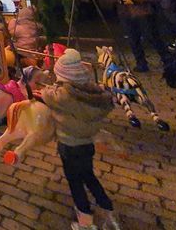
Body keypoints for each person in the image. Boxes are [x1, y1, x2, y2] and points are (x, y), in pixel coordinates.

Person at [41, 49, 119, 230]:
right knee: (89, 176)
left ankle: (85, 222)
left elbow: (46, 94)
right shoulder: (93, 93)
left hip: (69, 145)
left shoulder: (63, 96)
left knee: (75, 182)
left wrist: (52, 86)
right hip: (87, 144)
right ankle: (108, 212)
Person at [97, 0, 165, 72]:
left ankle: (166, 59)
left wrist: (135, 0)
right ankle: (141, 63)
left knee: (152, 36)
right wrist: (117, 1)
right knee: (133, 39)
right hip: (125, 14)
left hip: (141, 12)